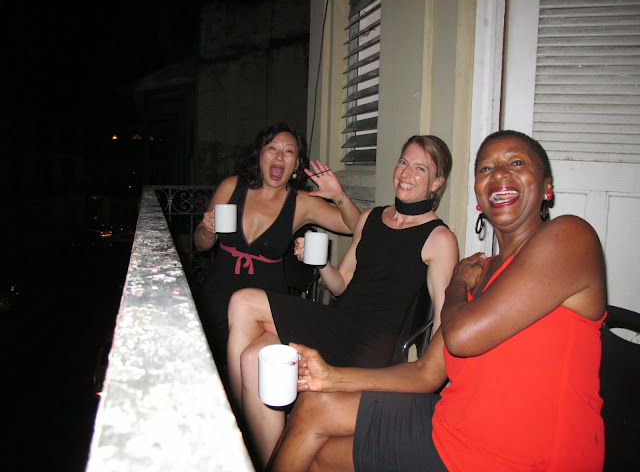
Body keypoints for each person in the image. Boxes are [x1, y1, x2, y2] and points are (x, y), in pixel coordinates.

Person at [268, 130, 607, 472]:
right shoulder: (483, 270)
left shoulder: (569, 238)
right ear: (479, 196)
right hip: (450, 422)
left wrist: (458, 282)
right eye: (486, 169)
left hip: (518, 456)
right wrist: (329, 378)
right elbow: (425, 374)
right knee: (313, 410)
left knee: (319, 451)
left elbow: (461, 337)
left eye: (516, 163)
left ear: (547, 186)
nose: (500, 174)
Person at [227, 135, 459, 467]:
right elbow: (342, 285)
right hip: (338, 322)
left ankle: (258, 441)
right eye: (404, 162)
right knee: (251, 346)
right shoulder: (370, 218)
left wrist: (430, 380)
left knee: (247, 322)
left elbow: (442, 318)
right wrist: (321, 264)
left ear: (437, 182)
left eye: (420, 168)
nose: (407, 173)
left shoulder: (439, 238)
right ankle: (274, 458)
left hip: (372, 346)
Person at [194, 123, 361, 367]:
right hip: (217, 296)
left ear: (296, 164)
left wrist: (338, 196)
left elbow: (355, 226)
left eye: (289, 152)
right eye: (272, 148)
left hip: (267, 303)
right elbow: (201, 246)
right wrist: (208, 230)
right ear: (259, 154)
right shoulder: (231, 187)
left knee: (255, 370)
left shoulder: (303, 203)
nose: (280, 156)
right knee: (212, 371)